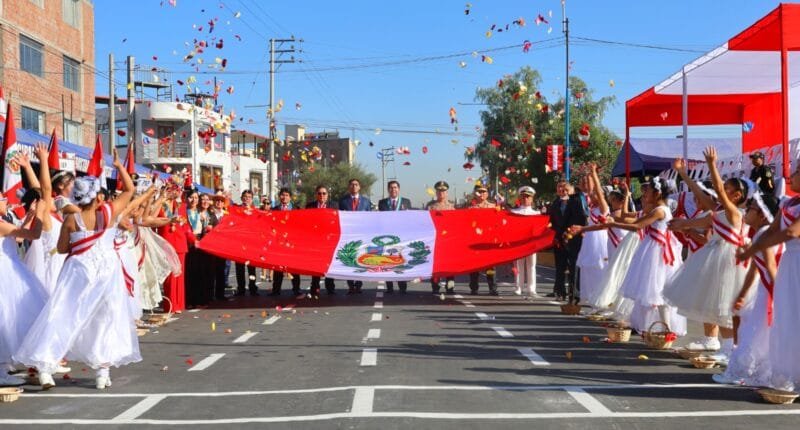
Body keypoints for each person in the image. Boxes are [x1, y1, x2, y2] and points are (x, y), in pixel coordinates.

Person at [15, 149, 141, 390]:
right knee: (105, 319)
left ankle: (45, 368)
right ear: (98, 198)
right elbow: (130, 191)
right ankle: (102, 373)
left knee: (64, 315)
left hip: (79, 271)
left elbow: (62, 249)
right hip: (106, 272)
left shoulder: (72, 219)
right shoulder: (108, 212)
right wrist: (118, 166)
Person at [666, 149, 751, 363]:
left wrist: (712, 164)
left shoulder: (735, 213)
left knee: (725, 303)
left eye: (727, 189)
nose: (719, 190)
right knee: (715, 302)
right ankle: (719, 343)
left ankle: (730, 347)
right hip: (716, 257)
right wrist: (683, 174)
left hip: (729, 260)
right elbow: (704, 204)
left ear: (737, 196)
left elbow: (718, 190)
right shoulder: (720, 211)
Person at [737, 163, 800, 392]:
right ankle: (792, 374)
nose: (791, 176)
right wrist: (750, 251)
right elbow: (774, 231)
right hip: (790, 266)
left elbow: (792, 232)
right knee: (788, 320)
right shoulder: (787, 203)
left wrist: (753, 249)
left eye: (797, 172)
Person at [606, 176, 687, 337]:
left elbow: (637, 225)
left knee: (656, 290)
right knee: (650, 290)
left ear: (657, 193)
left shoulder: (659, 211)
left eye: (648, 191)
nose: (645, 194)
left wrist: (612, 223)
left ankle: (666, 327)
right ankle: (650, 325)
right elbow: (631, 218)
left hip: (658, 252)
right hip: (653, 248)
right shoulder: (656, 209)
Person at [714, 193, 781, 386]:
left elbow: (770, 266)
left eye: (751, 207)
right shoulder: (762, 233)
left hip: (770, 290)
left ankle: (745, 372)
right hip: (765, 288)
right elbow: (754, 269)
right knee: (758, 331)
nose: (747, 211)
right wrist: (742, 294)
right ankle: (757, 372)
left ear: (761, 214)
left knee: (755, 331)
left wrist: (778, 295)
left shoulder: (765, 233)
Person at [0, 149, 49, 387]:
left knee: (10, 316)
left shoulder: (4, 224)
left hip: (9, 267)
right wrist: (39, 213)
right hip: (5, 272)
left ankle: (5, 364)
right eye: (2, 198)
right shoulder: (1, 224)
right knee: (7, 317)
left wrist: (28, 217)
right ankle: (1, 368)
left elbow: (17, 240)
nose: (6, 199)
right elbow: (33, 235)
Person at [573, 165, 609, 307]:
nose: (592, 195)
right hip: (589, 240)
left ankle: (599, 298)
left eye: (595, 194)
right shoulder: (591, 207)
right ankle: (587, 297)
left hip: (599, 241)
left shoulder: (603, 208)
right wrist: (587, 177)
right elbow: (585, 190)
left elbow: (598, 191)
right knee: (587, 268)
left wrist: (594, 174)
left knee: (598, 268)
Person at [158, 182, 195, 312]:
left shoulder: (182, 206)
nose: (174, 192)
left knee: (179, 275)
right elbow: (152, 222)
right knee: (169, 276)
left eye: (176, 190)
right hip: (166, 242)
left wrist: (193, 239)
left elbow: (186, 226)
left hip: (180, 243)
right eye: (171, 190)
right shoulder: (159, 205)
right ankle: (170, 305)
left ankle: (179, 304)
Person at [548, 181, 587, 301]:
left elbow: (583, 217)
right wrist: (555, 235)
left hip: (574, 237)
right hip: (559, 238)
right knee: (560, 266)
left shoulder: (577, 201)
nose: (563, 191)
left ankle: (574, 292)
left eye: (566, 190)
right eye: (560, 188)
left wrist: (579, 231)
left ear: (571, 190)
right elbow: (550, 220)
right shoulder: (555, 204)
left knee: (574, 266)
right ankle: (559, 291)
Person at [339, 178, 372, 294]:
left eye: (356, 185)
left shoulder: (366, 202)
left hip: (362, 236)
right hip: (348, 236)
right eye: (352, 185)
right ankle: (350, 285)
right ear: (349, 187)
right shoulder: (343, 202)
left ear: (359, 187)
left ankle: (358, 284)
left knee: (360, 260)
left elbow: (370, 219)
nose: (354, 187)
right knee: (349, 260)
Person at [378, 180, 412, 293]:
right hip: (387, 237)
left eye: (395, 187)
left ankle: (402, 286)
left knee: (401, 260)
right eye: (391, 188)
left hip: (402, 237)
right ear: (388, 190)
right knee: (388, 260)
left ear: (399, 189)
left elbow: (410, 219)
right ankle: (390, 287)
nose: (393, 190)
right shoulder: (382, 203)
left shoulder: (406, 202)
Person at [270, 188, 302, 297]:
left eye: (287, 195)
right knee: (278, 267)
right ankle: (276, 290)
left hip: (292, 243)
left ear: (290, 197)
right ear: (279, 196)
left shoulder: (297, 209)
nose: (284, 197)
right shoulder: (274, 210)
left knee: (294, 267)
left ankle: (296, 289)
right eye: (282, 195)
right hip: (278, 243)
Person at [468, 184, 498, 296]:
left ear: (487, 194)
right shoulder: (471, 209)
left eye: (484, 192)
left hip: (488, 241)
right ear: (475, 194)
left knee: (490, 267)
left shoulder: (493, 207)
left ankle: (492, 288)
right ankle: (474, 288)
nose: (481, 194)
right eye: (479, 192)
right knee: (474, 267)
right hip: (475, 241)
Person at [306, 185, 336, 297]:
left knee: (329, 265)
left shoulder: (334, 206)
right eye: (319, 193)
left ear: (327, 195)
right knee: (315, 266)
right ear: (316, 195)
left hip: (329, 241)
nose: (322, 195)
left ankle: (330, 287)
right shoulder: (310, 207)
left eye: (324, 193)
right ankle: (315, 287)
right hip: (315, 241)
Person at [426, 181, 455, 294]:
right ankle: (435, 285)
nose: (441, 193)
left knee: (450, 263)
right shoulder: (431, 206)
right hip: (435, 239)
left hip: (449, 239)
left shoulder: (452, 206)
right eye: (439, 191)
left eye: (443, 191)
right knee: (435, 263)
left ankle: (450, 285)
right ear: (436, 192)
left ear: (446, 192)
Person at [511, 186, 541, 298]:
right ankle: (518, 287)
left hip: (532, 243)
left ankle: (531, 288)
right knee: (519, 266)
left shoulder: (537, 213)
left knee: (532, 265)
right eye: (523, 197)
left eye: (528, 197)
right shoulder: (514, 212)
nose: (525, 199)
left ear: (532, 199)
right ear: (520, 198)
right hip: (519, 242)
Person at [234, 189, 259, 296]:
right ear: (241, 198)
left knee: (251, 268)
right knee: (239, 268)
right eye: (245, 197)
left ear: (252, 199)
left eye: (249, 197)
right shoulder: (237, 210)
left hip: (251, 244)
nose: (246, 199)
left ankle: (252, 287)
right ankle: (241, 288)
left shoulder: (256, 211)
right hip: (239, 244)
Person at [207, 194, 230, 301]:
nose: (219, 203)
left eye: (221, 201)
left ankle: (220, 294)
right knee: (211, 271)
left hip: (223, 246)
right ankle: (210, 294)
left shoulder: (226, 215)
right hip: (211, 246)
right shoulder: (210, 215)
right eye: (217, 201)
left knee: (221, 270)